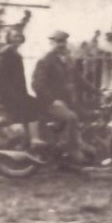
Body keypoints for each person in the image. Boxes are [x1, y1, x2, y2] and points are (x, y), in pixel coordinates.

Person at [31, 30, 81, 161]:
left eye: (63, 41)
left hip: (65, 102)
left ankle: (64, 156)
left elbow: (78, 78)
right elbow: (37, 84)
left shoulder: (66, 60)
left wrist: (96, 90)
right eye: (58, 42)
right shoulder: (45, 60)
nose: (61, 45)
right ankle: (73, 151)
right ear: (51, 43)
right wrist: (52, 101)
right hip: (49, 103)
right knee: (72, 118)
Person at [0, 27, 43, 146]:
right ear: (9, 38)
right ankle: (34, 139)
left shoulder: (15, 53)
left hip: (17, 92)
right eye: (14, 36)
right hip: (10, 94)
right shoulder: (7, 53)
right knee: (33, 108)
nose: (17, 39)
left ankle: (30, 139)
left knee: (37, 105)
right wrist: (9, 94)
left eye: (19, 36)